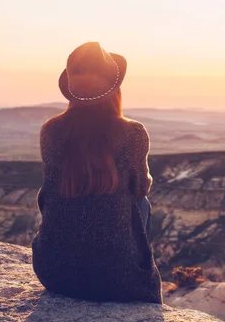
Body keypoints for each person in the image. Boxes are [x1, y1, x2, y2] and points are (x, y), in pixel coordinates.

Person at [32, 42, 162, 303]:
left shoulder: (51, 130)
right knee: (141, 203)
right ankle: (131, 261)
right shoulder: (133, 133)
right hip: (119, 279)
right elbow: (140, 189)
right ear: (114, 89)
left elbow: (48, 194)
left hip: (55, 273)